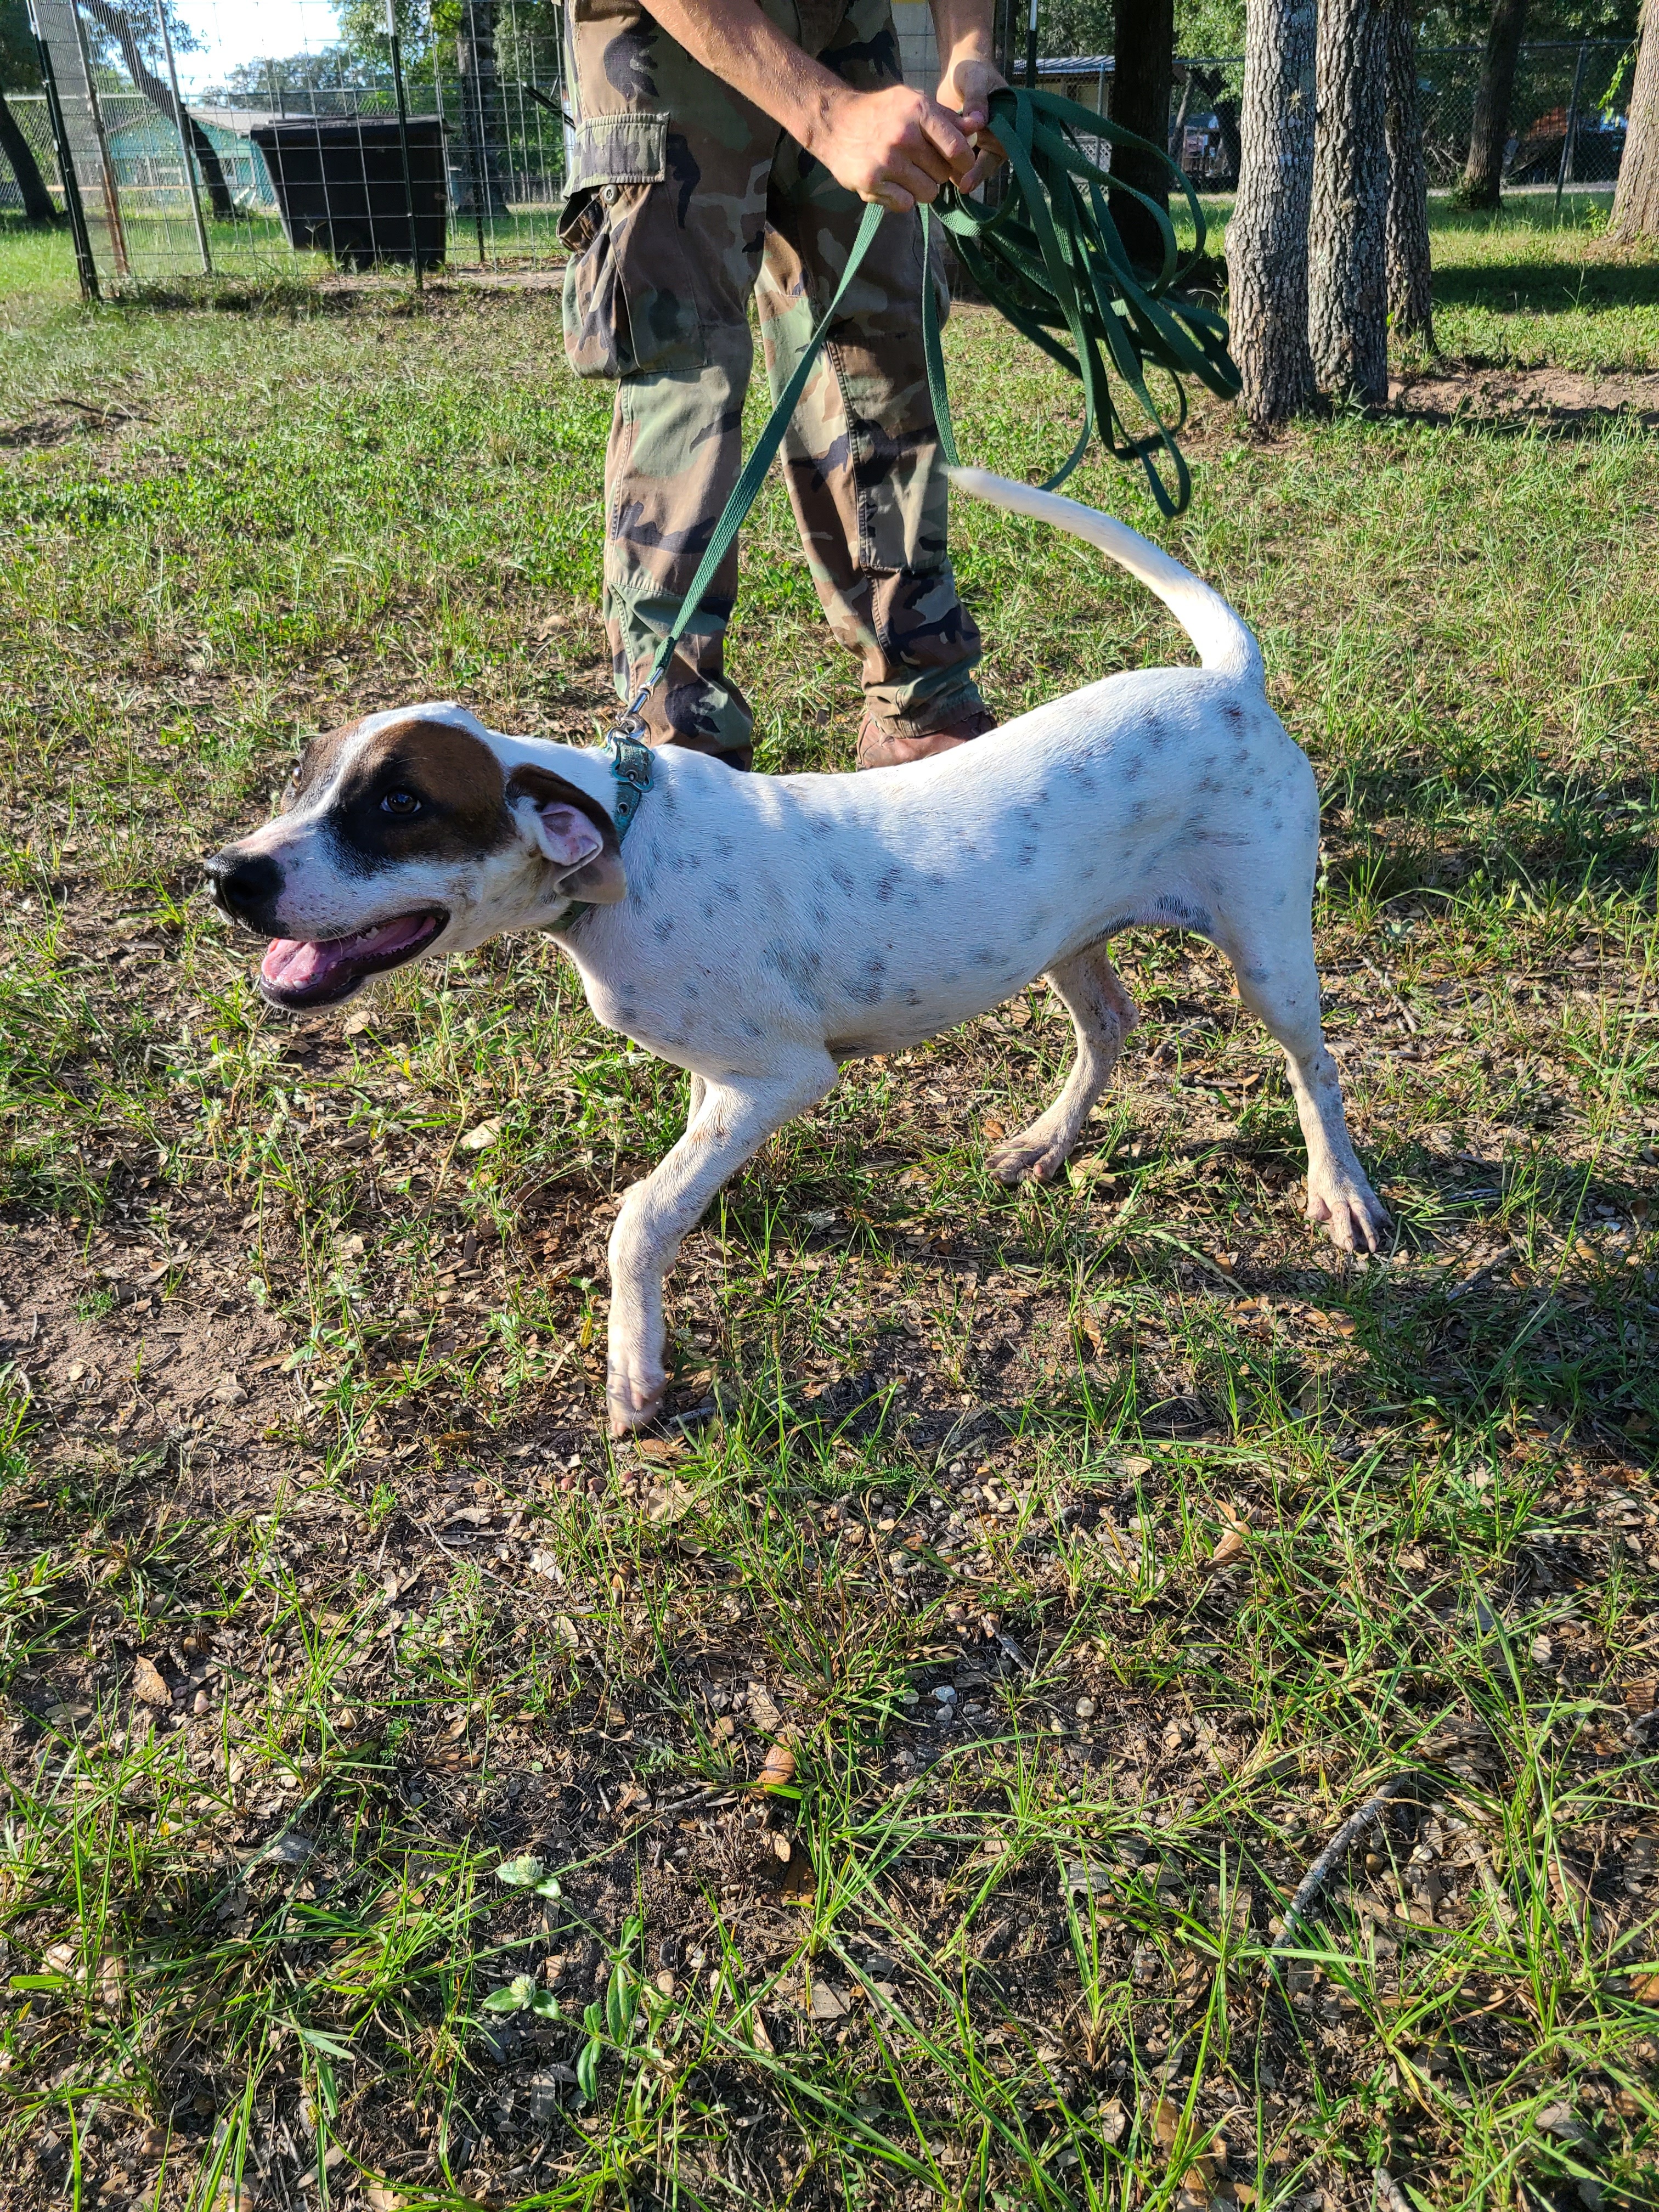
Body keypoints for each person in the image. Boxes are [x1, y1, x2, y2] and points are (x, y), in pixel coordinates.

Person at [559, 0, 1004, 771]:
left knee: (882, 340)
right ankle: (679, 750)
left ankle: (922, 710)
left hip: (842, 19)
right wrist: (826, 115)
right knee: (684, 368)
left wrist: (969, 51)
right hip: (669, 30)